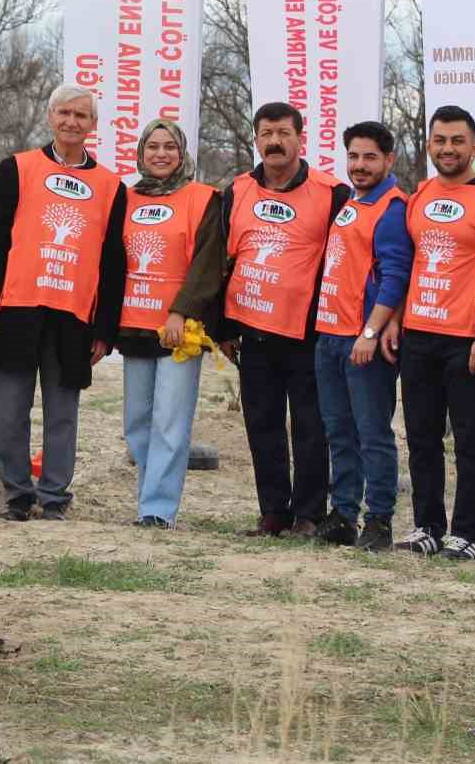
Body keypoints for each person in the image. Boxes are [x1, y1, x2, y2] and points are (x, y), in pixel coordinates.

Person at [0, 84, 126, 522]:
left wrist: (105, 330)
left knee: (63, 416)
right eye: (64, 113)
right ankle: (17, 495)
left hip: (74, 318)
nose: (72, 122)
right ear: (49, 116)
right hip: (16, 311)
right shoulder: (16, 168)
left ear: (93, 125)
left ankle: (55, 497)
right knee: (9, 415)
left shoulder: (110, 186)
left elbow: (114, 261)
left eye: (81, 115)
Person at [394, 105, 475, 560]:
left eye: (457, 141)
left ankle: (468, 534)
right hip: (417, 335)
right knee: (422, 437)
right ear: (430, 145)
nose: (448, 149)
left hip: (468, 343)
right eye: (440, 141)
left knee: (470, 442)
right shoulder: (421, 194)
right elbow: (408, 264)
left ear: (474, 147)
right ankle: (428, 525)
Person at [219, 102, 350, 537]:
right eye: (266, 133)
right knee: (262, 423)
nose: (274, 142)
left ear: (301, 136)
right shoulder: (236, 191)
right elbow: (221, 259)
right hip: (251, 330)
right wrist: (224, 327)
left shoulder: (333, 193)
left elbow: (347, 259)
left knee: (312, 426)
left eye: (283, 133)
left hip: (308, 332)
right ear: (255, 138)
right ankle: (273, 511)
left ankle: (310, 514)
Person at [312, 121, 413, 551]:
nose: (360, 164)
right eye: (353, 156)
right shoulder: (352, 204)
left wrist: (371, 332)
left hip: (361, 340)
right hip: (329, 334)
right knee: (338, 432)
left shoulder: (392, 208)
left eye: (370, 156)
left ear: (388, 160)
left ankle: (379, 519)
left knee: (372, 433)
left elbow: (395, 277)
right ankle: (344, 513)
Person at [116, 118, 221, 528]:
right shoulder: (124, 199)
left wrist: (181, 310)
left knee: (171, 421)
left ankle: (158, 510)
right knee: (137, 422)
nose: (161, 154)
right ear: (141, 153)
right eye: (152, 147)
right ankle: (148, 496)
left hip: (180, 330)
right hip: (134, 325)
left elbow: (207, 261)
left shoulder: (203, 198)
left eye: (169, 147)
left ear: (182, 153)